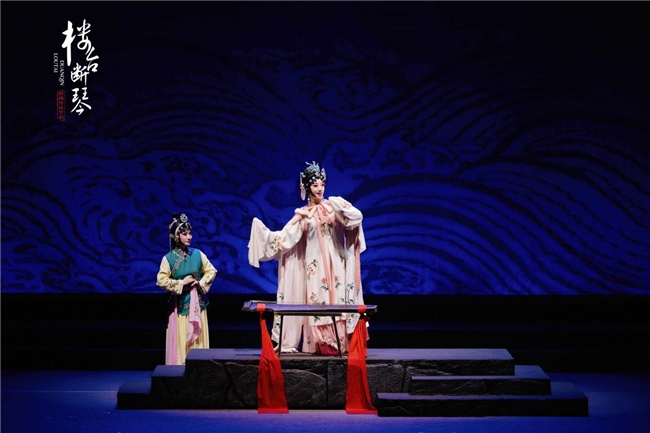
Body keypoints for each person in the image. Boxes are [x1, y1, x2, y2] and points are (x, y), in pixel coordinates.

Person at [248, 161, 367, 355]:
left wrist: (338, 203)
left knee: (339, 297)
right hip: (315, 266)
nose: (320, 189)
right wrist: (263, 234)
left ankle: (341, 341)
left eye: (322, 184)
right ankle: (323, 343)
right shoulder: (303, 215)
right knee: (319, 299)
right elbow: (284, 239)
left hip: (337, 262)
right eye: (315, 185)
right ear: (306, 187)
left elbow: (356, 218)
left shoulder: (334, 207)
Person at [156, 213, 218, 365]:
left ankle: (200, 371)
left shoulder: (197, 254)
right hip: (180, 307)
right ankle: (181, 370)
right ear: (176, 236)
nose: (189, 237)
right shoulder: (168, 258)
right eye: (184, 234)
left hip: (198, 306)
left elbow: (211, 270)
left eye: (190, 233)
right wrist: (181, 283)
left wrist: (200, 283)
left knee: (198, 342)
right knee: (182, 341)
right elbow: (161, 280)